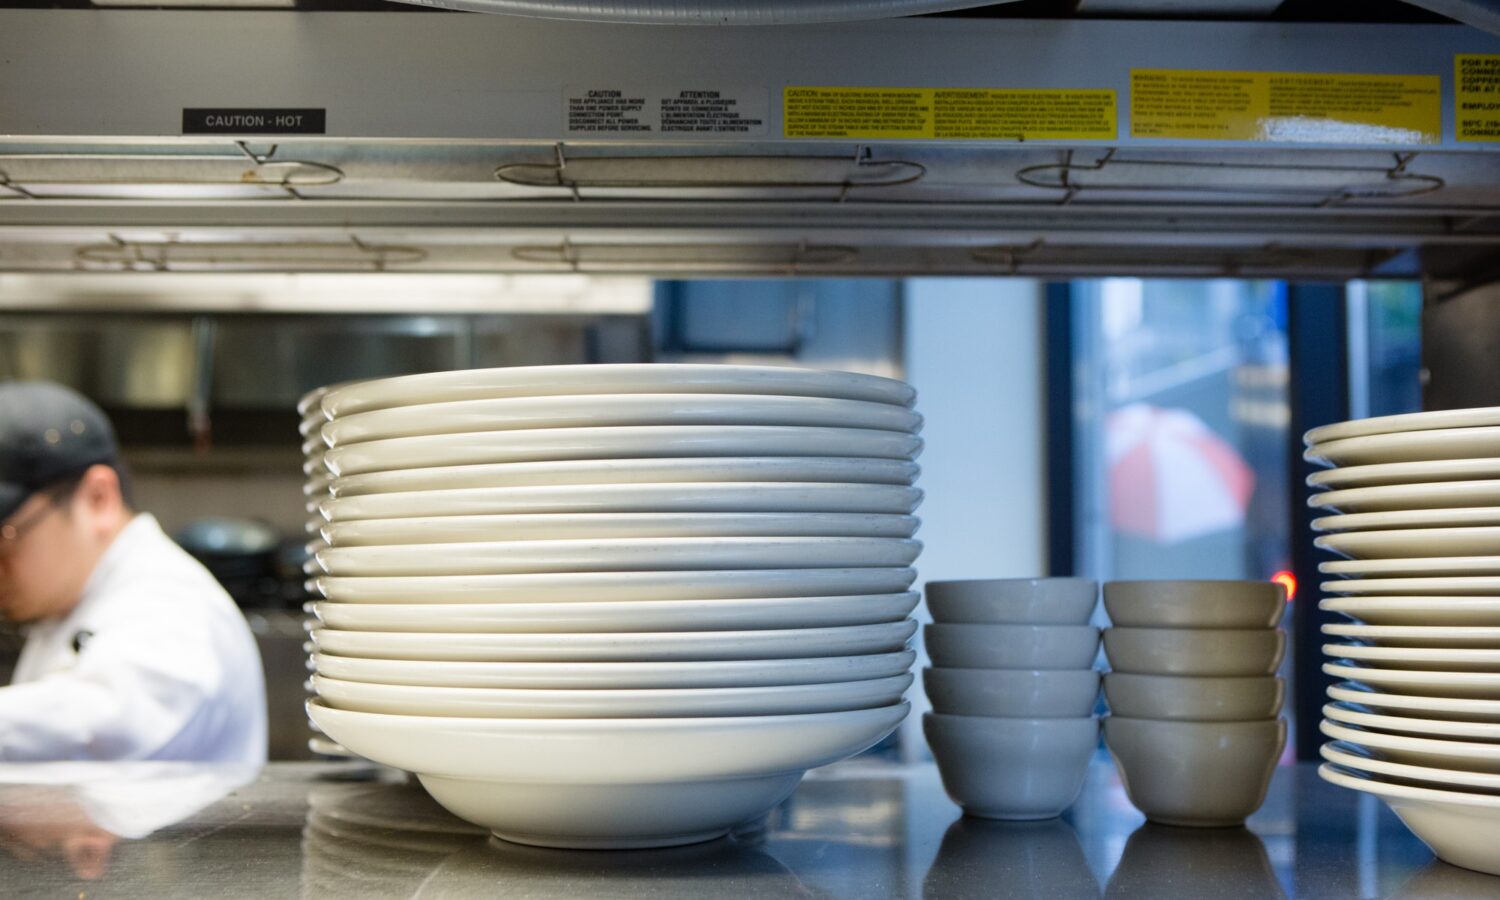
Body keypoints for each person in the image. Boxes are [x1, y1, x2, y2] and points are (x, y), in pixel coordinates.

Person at [0, 381, 266, 763]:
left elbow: (107, 716)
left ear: (98, 499)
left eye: (5, 535)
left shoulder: (172, 602)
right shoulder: (71, 596)